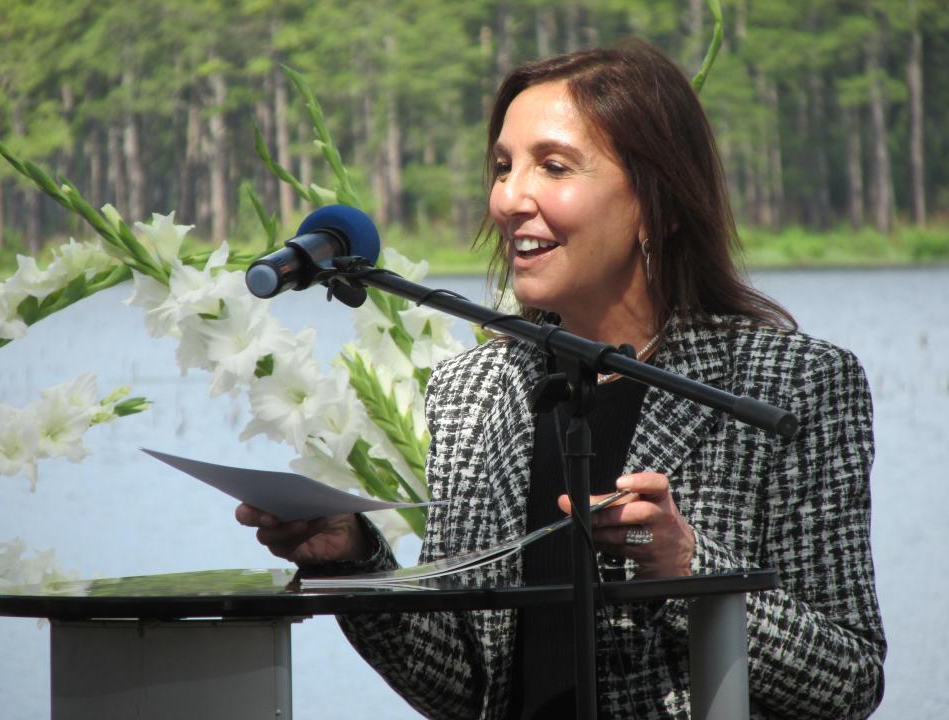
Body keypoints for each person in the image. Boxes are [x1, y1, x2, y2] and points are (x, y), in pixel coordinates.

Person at [236, 40, 886, 719]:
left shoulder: (792, 383)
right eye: (502, 167)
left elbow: (848, 683)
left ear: (657, 203)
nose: (510, 199)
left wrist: (689, 568)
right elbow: (464, 688)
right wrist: (350, 561)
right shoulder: (471, 392)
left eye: (553, 166)